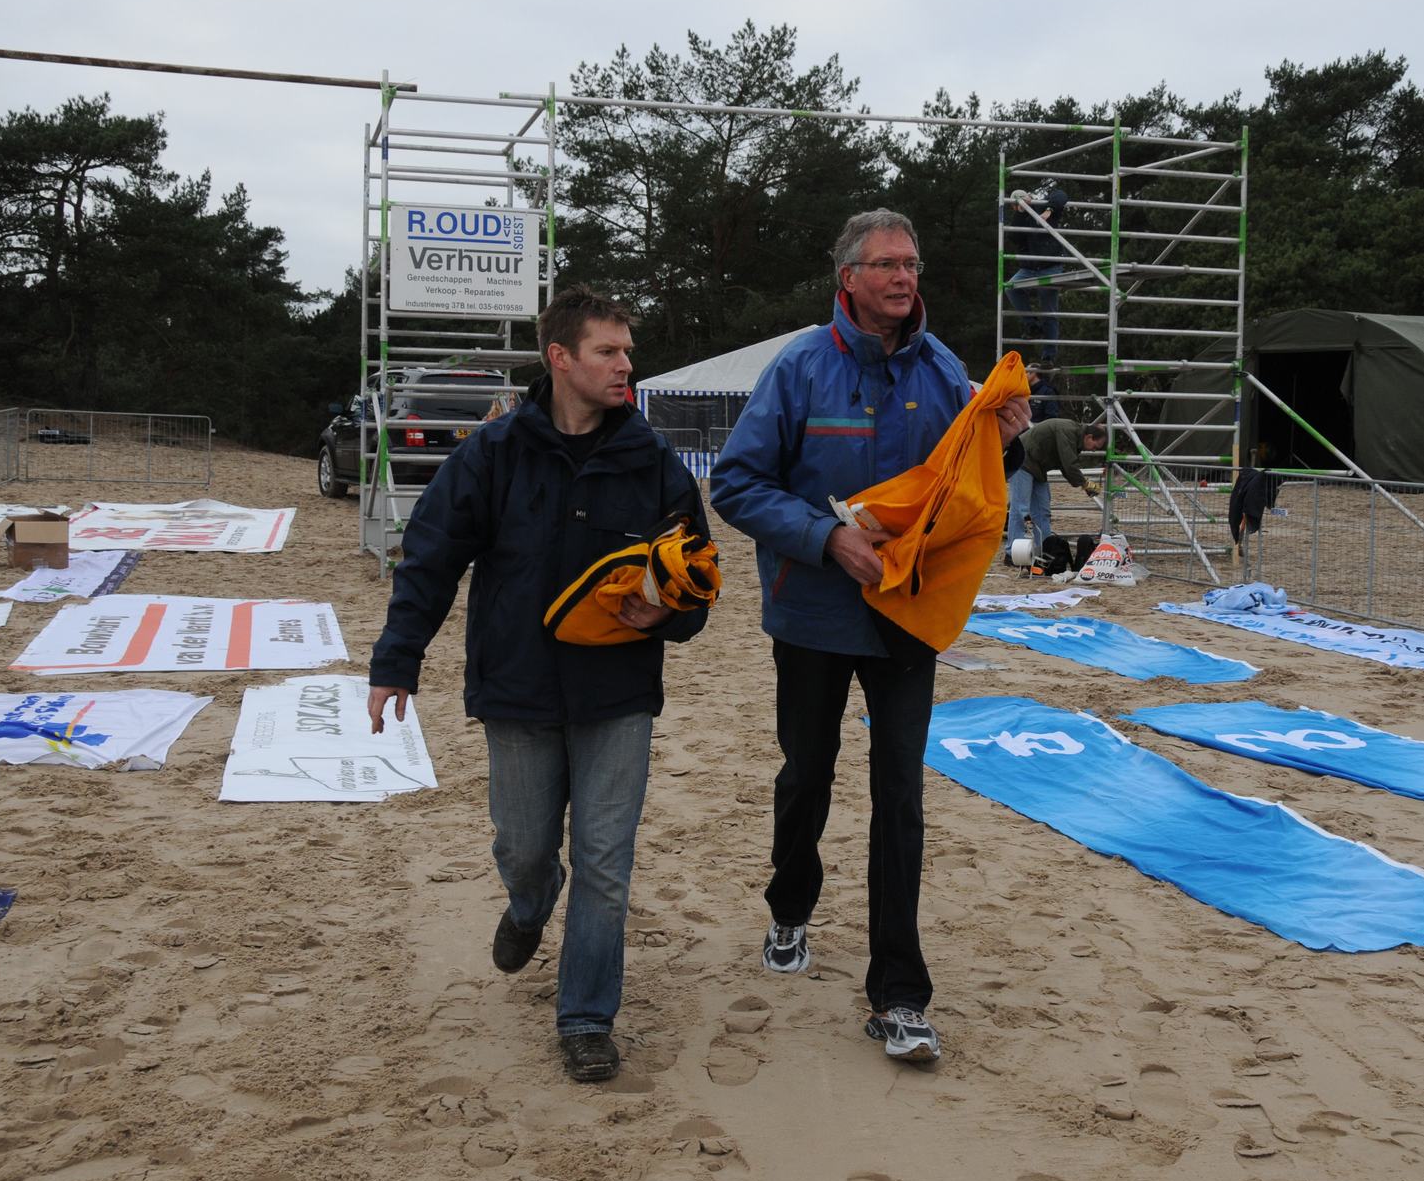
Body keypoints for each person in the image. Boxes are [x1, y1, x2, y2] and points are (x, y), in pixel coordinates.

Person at [366, 286, 710, 1084]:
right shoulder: (492, 453)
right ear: (560, 358)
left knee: (604, 861)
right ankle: (530, 900)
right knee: (524, 848)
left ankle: (586, 1016)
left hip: (617, 694)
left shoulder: (653, 462)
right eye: (607, 351)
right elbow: (430, 558)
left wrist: (669, 612)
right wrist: (396, 661)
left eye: (627, 351)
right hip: (517, 687)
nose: (625, 365)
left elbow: (696, 576)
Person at [711, 208, 1031, 1064]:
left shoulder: (946, 369)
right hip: (813, 616)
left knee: (901, 796)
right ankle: (790, 906)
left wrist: (1003, 445)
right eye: (886, 264)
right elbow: (736, 484)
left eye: (912, 264)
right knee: (806, 774)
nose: (903, 277)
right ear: (847, 277)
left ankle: (898, 993)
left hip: (906, 617)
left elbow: (967, 491)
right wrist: (825, 538)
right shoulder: (798, 367)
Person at [1007, 418, 1107, 558]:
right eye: (1095, 447)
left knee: (1042, 511)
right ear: (1089, 437)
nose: (1094, 450)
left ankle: (1045, 550)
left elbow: (1065, 465)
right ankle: (1012, 553)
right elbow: (1068, 465)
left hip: (1037, 466)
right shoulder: (1068, 431)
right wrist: (1085, 483)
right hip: (1022, 461)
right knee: (1020, 509)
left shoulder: (1072, 435)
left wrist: (1083, 483)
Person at [1002, 180, 1070, 366]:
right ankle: (1031, 324)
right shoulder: (1019, 218)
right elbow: (1014, 237)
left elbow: (1061, 195)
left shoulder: (1043, 205)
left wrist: (1048, 210)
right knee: (1010, 288)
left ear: (1029, 197)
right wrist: (1021, 213)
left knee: (1049, 311)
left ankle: (1049, 355)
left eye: (1023, 200)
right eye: (1016, 204)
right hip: (1029, 268)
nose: (1020, 205)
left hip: (1050, 266)